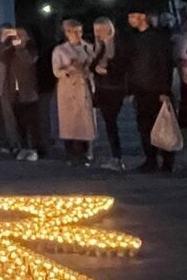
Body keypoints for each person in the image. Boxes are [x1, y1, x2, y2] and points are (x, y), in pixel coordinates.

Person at [121, 11, 176, 173]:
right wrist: (130, 89)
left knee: (163, 124)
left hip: (156, 89)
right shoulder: (134, 38)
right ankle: (150, 159)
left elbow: (164, 64)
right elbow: (131, 65)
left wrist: (164, 89)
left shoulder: (158, 38)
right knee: (145, 126)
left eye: (132, 17)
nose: (130, 20)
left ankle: (167, 160)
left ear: (142, 17)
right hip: (141, 89)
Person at [51, 19, 96, 165]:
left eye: (79, 31)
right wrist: (70, 68)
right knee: (69, 121)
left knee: (86, 119)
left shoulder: (88, 47)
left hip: (84, 87)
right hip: (68, 88)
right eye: (73, 31)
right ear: (66, 33)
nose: (77, 34)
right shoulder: (60, 50)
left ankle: (86, 152)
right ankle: (70, 153)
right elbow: (56, 71)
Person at [0, 27, 41, 161]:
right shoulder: (9, 52)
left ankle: (34, 149)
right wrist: (3, 42)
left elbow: (27, 62)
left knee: (31, 123)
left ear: (27, 37)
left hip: (28, 92)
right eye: (16, 35)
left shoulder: (31, 51)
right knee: (19, 122)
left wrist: (20, 47)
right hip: (13, 93)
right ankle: (23, 147)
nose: (17, 38)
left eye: (21, 35)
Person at [90, 18, 128, 171]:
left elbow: (122, 65)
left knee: (111, 121)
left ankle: (117, 157)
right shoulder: (100, 46)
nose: (97, 33)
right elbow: (93, 64)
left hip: (115, 88)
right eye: (95, 30)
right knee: (109, 122)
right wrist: (96, 68)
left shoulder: (118, 45)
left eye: (100, 30)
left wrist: (108, 69)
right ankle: (115, 156)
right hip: (103, 88)